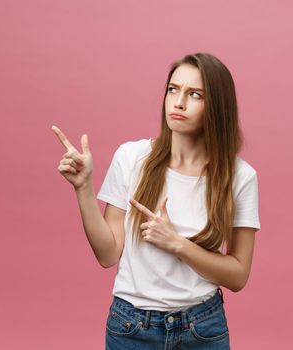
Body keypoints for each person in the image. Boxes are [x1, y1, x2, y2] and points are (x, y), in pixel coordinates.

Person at [51, 52, 261, 349]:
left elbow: (238, 275)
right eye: (173, 90)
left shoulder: (241, 177)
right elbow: (107, 254)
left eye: (195, 94)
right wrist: (83, 188)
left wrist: (178, 244)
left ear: (216, 105)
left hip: (202, 328)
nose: (179, 102)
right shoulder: (132, 157)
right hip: (131, 327)